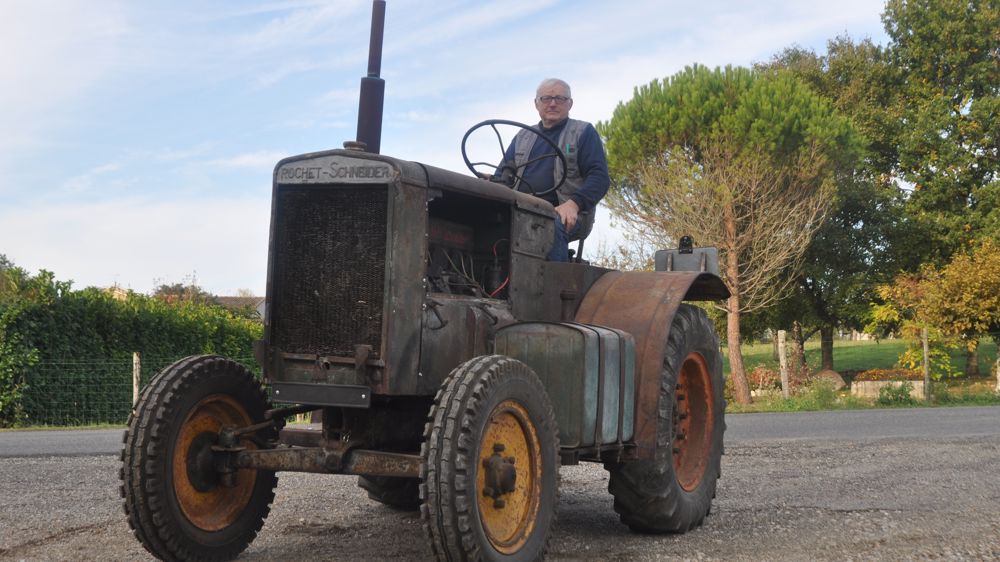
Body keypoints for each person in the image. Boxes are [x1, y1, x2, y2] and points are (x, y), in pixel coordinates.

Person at [500, 78, 610, 262]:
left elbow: (599, 178)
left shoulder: (583, 132)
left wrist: (574, 204)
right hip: (519, 207)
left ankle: (553, 287)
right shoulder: (523, 136)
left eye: (559, 98)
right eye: (546, 98)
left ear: (570, 104)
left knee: (551, 224)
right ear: (536, 104)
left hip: (562, 211)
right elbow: (504, 173)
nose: (552, 103)